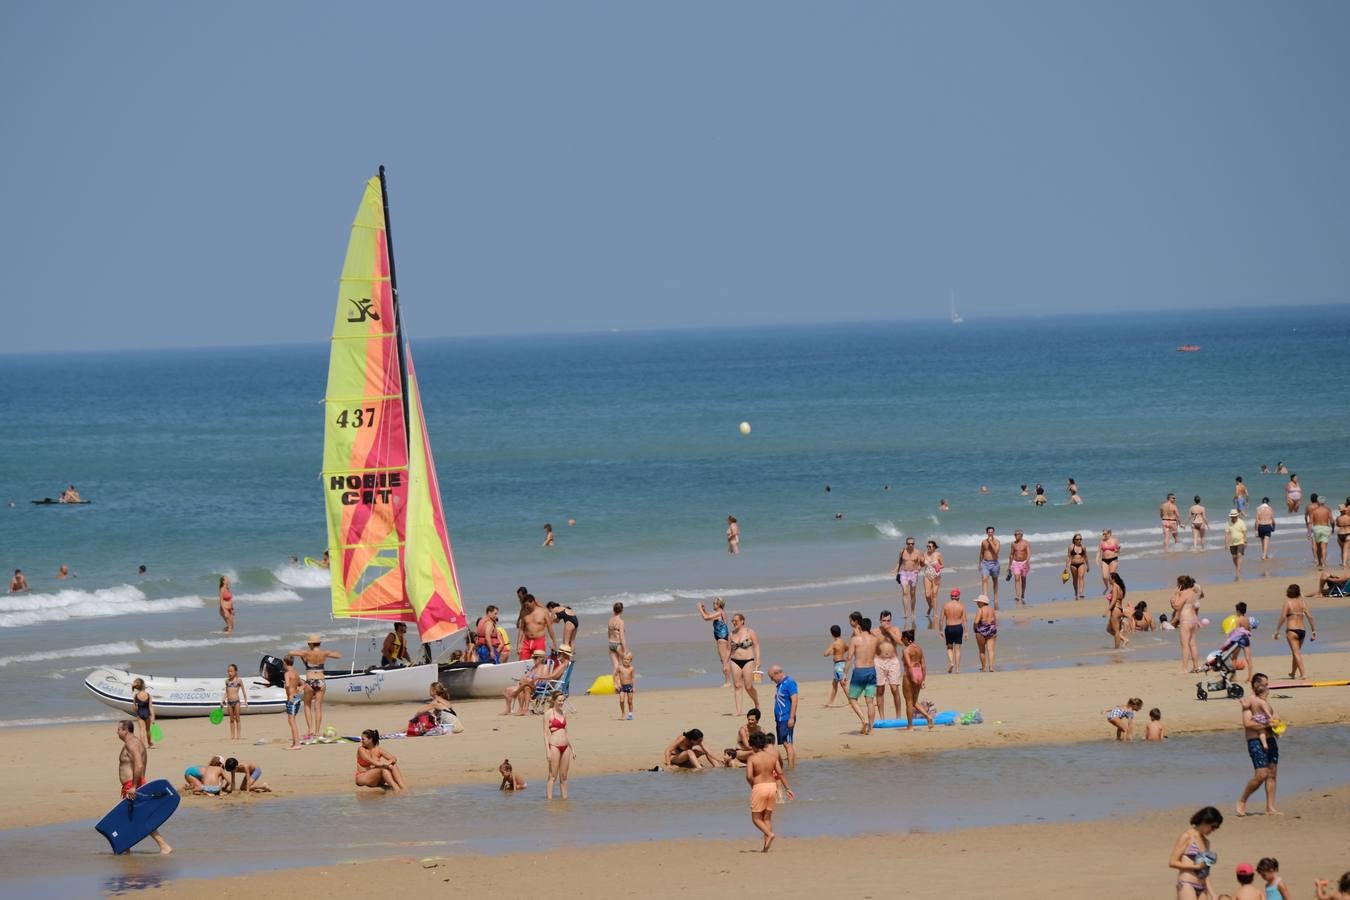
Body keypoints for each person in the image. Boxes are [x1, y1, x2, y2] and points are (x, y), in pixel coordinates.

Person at [115, 720, 171, 853]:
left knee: (140, 817)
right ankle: (126, 848)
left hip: (133, 785)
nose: (116, 732)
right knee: (129, 817)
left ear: (125, 730)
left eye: (118, 729)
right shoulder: (135, 742)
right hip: (133, 784)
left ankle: (164, 846)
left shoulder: (131, 743)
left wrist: (134, 786)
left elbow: (139, 765)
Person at [1236, 673, 1279, 817]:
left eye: (1267, 684)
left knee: (1272, 774)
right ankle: (1242, 800)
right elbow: (1247, 723)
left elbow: (1275, 717)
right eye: (1264, 684)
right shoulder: (1250, 702)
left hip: (1270, 740)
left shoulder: (1265, 701)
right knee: (1261, 774)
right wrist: (1267, 723)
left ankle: (1270, 808)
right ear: (1255, 685)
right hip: (1255, 741)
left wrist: (1277, 724)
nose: (1267, 687)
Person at [745, 731, 793, 852]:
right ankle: (765, 847)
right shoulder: (772, 757)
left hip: (759, 786)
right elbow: (780, 773)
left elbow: (749, 776)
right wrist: (788, 788)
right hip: (772, 786)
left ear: (753, 745)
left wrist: (752, 785)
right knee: (767, 818)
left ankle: (769, 834)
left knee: (755, 818)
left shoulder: (752, 758)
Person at [291, 635, 341, 741]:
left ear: (311, 644)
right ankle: (318, 731)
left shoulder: (307, 653)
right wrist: (326, 653)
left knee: (307, 705)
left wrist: (303, 653)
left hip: (310, 681)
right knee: (318, 707)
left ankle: (311, 730)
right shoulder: (324, 653)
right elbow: (338, 656)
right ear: (319, 643)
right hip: (321, 680)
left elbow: (291, 653)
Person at [1169, 805, 1222, 899]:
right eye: (1212, 827)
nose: (1213, 830)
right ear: (1204, 821)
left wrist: (1212, 892)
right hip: (1187, 884)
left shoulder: (1206, 842)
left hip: (1202, 887)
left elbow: (1205, 871)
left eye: (1216, 828)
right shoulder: (1187, 836)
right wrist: (1195, 866)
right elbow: (1172, 862)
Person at [844, 615, 879, 734]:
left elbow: (849, 658)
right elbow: (877, 653)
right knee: (870, 701)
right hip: (871, 670)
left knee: (852, 698)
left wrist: (845, 674)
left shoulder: (855, 639)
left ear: (859, 626)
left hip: (859, 671)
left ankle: (864, 720)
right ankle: (872, 728)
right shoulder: (874, 639)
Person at [1272, 584, 1316, 680]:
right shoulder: (1302, 602)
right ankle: (1292, 673)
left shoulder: (1287, 602)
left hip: (1292, 630)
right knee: (1296, 652)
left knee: (1296, 653)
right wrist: (1313, 630)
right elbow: (1310, 616)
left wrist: (1277, 630)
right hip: (1302, 630)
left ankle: (1303, 673)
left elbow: (1283, 617)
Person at [727, 612, 761, 715]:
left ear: (742, 621)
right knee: (737, 685)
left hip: (748, 660)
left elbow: (756, 646)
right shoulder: (731, 634)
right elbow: (729, 650)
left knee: (748, 686)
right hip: (734, 660)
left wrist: (758, 662)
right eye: (732, 621)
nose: (734, 622)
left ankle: (756, 702)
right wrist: (725, 663)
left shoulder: (750, 632)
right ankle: (738, 711)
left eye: (736, 620)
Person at [503, 650, 555, 716]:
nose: (534, 659)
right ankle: (509, 709)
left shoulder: (544, 667)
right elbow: (525, 676)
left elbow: (542, 680)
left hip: (538, 687)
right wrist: (524, 679)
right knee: (507, 689)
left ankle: (522, 708)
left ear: (541, 658)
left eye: (535, 658)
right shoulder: (533, 668)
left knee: (525, 684)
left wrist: (530, 680)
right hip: (527, 685)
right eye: (533, 658)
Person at [543, 691, 573, 799]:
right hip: (554, 746)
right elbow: (545, 734)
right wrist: (547, 751)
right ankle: (549, 800)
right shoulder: (548, 713)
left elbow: (566, 732)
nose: (561, 702)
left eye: (563, 700)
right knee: (553, 776)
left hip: (566, 747)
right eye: (559, 700)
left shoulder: (564, 713)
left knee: (564, 776)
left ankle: (565, 799)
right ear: (554, 700)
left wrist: (572, 748)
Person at [696, 598, 732, 687]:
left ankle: (728, 682)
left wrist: (699, 609)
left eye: (715, 603)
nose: (713, 604)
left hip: (722, 638)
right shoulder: (719, 613)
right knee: (724, 660)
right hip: (721, 638)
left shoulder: (720, 613)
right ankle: (728, 681)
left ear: (719, 604)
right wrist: (704, 610)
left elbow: (706, 618)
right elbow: (709, 616)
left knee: (725, 661)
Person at [1172, 575, 1204, 674]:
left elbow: (1177, 606)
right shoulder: (1193, 593)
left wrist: (1177, 594)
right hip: (1194, 619)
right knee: (1193, 644)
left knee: (1185, 645)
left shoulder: (1184, 593)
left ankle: (1184, 668)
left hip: (1185, 620)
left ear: (1181, 584)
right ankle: (1195, 666)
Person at [899, 630, 929, 730]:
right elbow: (924, 665)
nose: (901, 640)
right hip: (919, 672)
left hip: (910, 673)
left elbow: (909, 665)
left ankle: (910, 726)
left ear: (907, 639)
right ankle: (928, 717)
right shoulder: (919, 649)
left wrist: (912, 677)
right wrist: (923, 679)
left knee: (908, 701)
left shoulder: (906, 650)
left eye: (902, 638)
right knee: (914, 701)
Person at [768, 665, 798, 768]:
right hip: (780, 719)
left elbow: (794, 700)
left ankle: (791, 768)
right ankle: (792, 766)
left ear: (777, 673)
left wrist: (791, 717)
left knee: (788, 743)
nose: (772, 680)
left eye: (772, 677)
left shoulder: (789, 683)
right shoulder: (780, 685)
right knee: (786, 744)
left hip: (786, 718)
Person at [517, 593, 557, 661]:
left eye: (527, 604)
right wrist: (518, 644)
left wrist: (554, 643)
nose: (526, 607)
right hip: (526, 642)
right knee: (522, 663)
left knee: (539, 663)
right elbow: (521, 629)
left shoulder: (543, 612)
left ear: (533, 602)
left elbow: (550, 628)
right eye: (524, 605)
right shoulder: (524, 613)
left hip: (539, 641)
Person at [893, 537, 923, 622]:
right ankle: (906, 613)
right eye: (909, 543)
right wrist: (896, 570)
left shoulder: (918, 552)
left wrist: (919, 568)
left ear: (914, 544)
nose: (910, 545)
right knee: (905, 592)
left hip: (913, 573)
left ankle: (913, 612)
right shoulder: (902, 551)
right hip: (904, 573)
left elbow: (921, 563)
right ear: (906, 544)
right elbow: (899, 562)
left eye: (912, 543)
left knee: (912, 593)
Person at [940, 588, 967, 672]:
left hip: (949, 627)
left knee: (949, 647)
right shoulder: (961, 606)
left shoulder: (946, 605)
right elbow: (964, 620)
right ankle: (958, 668)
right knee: (958, 648)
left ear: (951, 597)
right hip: (958, 627)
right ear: (958, 597)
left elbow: (941, 620)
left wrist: (940, 630)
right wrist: (966, 632)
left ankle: (951, 662)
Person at [282, 656, 306, 750]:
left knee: (292, 722)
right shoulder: (295, 673)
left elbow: (287, 685)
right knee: (292, 721)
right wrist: (300, 688)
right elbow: (304, 683)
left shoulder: (287, 673)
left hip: (292, 699)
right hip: (297, 698)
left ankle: (297, 744)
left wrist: (285, 686)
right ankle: (294, 742)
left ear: (285, 663)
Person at [822, 624, 848, 707]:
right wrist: (839, 652)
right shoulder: (843, 642)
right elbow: (847, 648)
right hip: (843, 663)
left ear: (832, 634)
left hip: (838, 665)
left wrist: (831, 652)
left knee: (842, 684)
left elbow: (825, 654)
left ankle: (851, 700)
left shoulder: (834, 643)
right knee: (834, 683)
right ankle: (830, 702)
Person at [1229, 603, 1255, 682]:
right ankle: (1250, 677)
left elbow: (1237, 632)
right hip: (1246, 639)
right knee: (1248, 658)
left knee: (1234, 658)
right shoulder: (1247, 619)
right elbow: (1249, 631)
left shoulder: (1238, 619)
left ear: (1238, 611)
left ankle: (1234, 676)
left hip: (1239, 640)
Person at [1306, 493, 1333, 568]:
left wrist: (1308, 532)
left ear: (1318, 502)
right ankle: (1323, 562)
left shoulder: (1313, 511)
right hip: (1325, 528)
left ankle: (1318, 562)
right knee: (1324, 547)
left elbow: (1310, 522)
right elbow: (1332, 521)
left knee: (1317, 546)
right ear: (1324, 502)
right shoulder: (1328, 510)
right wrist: (1333, 528)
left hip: (1316, 528)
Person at [222, 663, 247, 741]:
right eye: (228, 671)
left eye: (231, 671)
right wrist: (223, 700)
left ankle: (238, 735)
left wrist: (246, 700)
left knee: (237, 719)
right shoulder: (227, 681)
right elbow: (226, 692)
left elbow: (243, 690)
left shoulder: (239, 680)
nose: (230, 673)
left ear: (235, 671)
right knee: (231, 719)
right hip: (229, 702)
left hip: (236, 702)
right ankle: (232, 735)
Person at [972, 594, 997, 672]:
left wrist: (974, 629)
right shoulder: (992, 609)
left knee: (982, 650)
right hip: (991, 628)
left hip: (981, 629)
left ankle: (983, 667)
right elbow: (994, 620)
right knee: (991, 650)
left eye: (978, 602)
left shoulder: (981, 610)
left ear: (982, 602)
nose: (977, 603)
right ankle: (991, 667)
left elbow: (976, 622)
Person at [978, 526, 1001, 608]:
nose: (990, 533)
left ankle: (995, 598)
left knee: (995, 580)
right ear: (987, 533)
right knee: (984, 579)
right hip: (985, 563)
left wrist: (991, 542)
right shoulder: (983, 542)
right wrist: (980, 563)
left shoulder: (997, 541)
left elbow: (996, 551)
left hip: (994, 563)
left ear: (993, 532)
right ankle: (985, 598)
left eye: (991, 532)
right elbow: (981, 553)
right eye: (989, 532)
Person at [1106, 572, 1130, 649]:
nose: (1108, 579)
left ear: (1113, 579)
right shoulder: (1120, 587)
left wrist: (1107, 610)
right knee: (1109, 629)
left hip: (1115, 609)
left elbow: (1114, 600)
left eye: (1109, 578)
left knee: (1116, 631)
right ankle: (1124, 639)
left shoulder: (1115, 587)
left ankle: (1117, 649)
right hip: (1119, 609)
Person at [920, 540, 944, 616]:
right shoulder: (924, 554)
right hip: (927, 575)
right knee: (927, 595)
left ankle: (935, 613)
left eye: (930, 547)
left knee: (934, 594)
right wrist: (921, 562)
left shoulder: (938, 554)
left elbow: (943, 565)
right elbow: (922, 565)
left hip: (936, 575)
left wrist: (938, 567)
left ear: (934, 548)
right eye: (927, 546)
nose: (928, 548)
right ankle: (930, 606)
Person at [130, 677, 155, 749]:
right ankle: (149, 743)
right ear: (143, 685)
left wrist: (136, 710)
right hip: (147, 714)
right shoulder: (148, 695)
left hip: (140, 714)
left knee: (141, 730)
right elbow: (150, 707)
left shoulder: (135, 695)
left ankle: (142, 745)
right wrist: (153, 717)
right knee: (148, 730)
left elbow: (134, 708)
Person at [1008, 529, 1031, 605]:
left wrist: (1027, 561)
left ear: (1021, 535)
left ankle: (1022, 594)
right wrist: (1009, 565)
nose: (1015, 536)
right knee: (1017, 578)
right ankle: (1017, 595)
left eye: (1017, 534)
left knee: (1023, 579)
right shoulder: (1013, 544)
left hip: (1024, 562)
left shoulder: (1026, 543)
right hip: (1015, 563)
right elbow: (1011, 554)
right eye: (1014, 534)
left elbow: (1029, 553)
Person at [1066, 533, 1089, 600]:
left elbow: (1085, 556)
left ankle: (1081, 593)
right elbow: (1068, 557)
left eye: (1080, 539)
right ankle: (1076, 594)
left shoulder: (1083, 547)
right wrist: (1066, 566)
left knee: (1081, 577)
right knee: (1075, 579)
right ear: (1074, 540)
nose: (1079, 540)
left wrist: (1088, 566)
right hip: (1073, 565)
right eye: (1077, 539)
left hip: (1081, 564)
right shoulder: (1071, 547)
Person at [615, 652, 636, 720]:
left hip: (629, 686)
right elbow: (615, 675)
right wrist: (616, 684)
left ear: (630, 660)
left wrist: (634, 687)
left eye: (627, 659)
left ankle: (630, 714)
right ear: (622, 659)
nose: (625, 660)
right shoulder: (620, 668)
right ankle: (623, 713)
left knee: (630, 701)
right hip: (622, 686)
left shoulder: (631, 668)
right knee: (621, 700)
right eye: (624, 659)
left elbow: (633, 678)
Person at [1337, 503, 1350, 568]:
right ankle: (1345, 564)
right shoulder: (1349, 517)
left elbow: (1338, 525)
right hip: (1348, 534)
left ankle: (1343, 562)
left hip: (1340, 534)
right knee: (1346, 550)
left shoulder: (1338, 518)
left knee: (1342, 550)